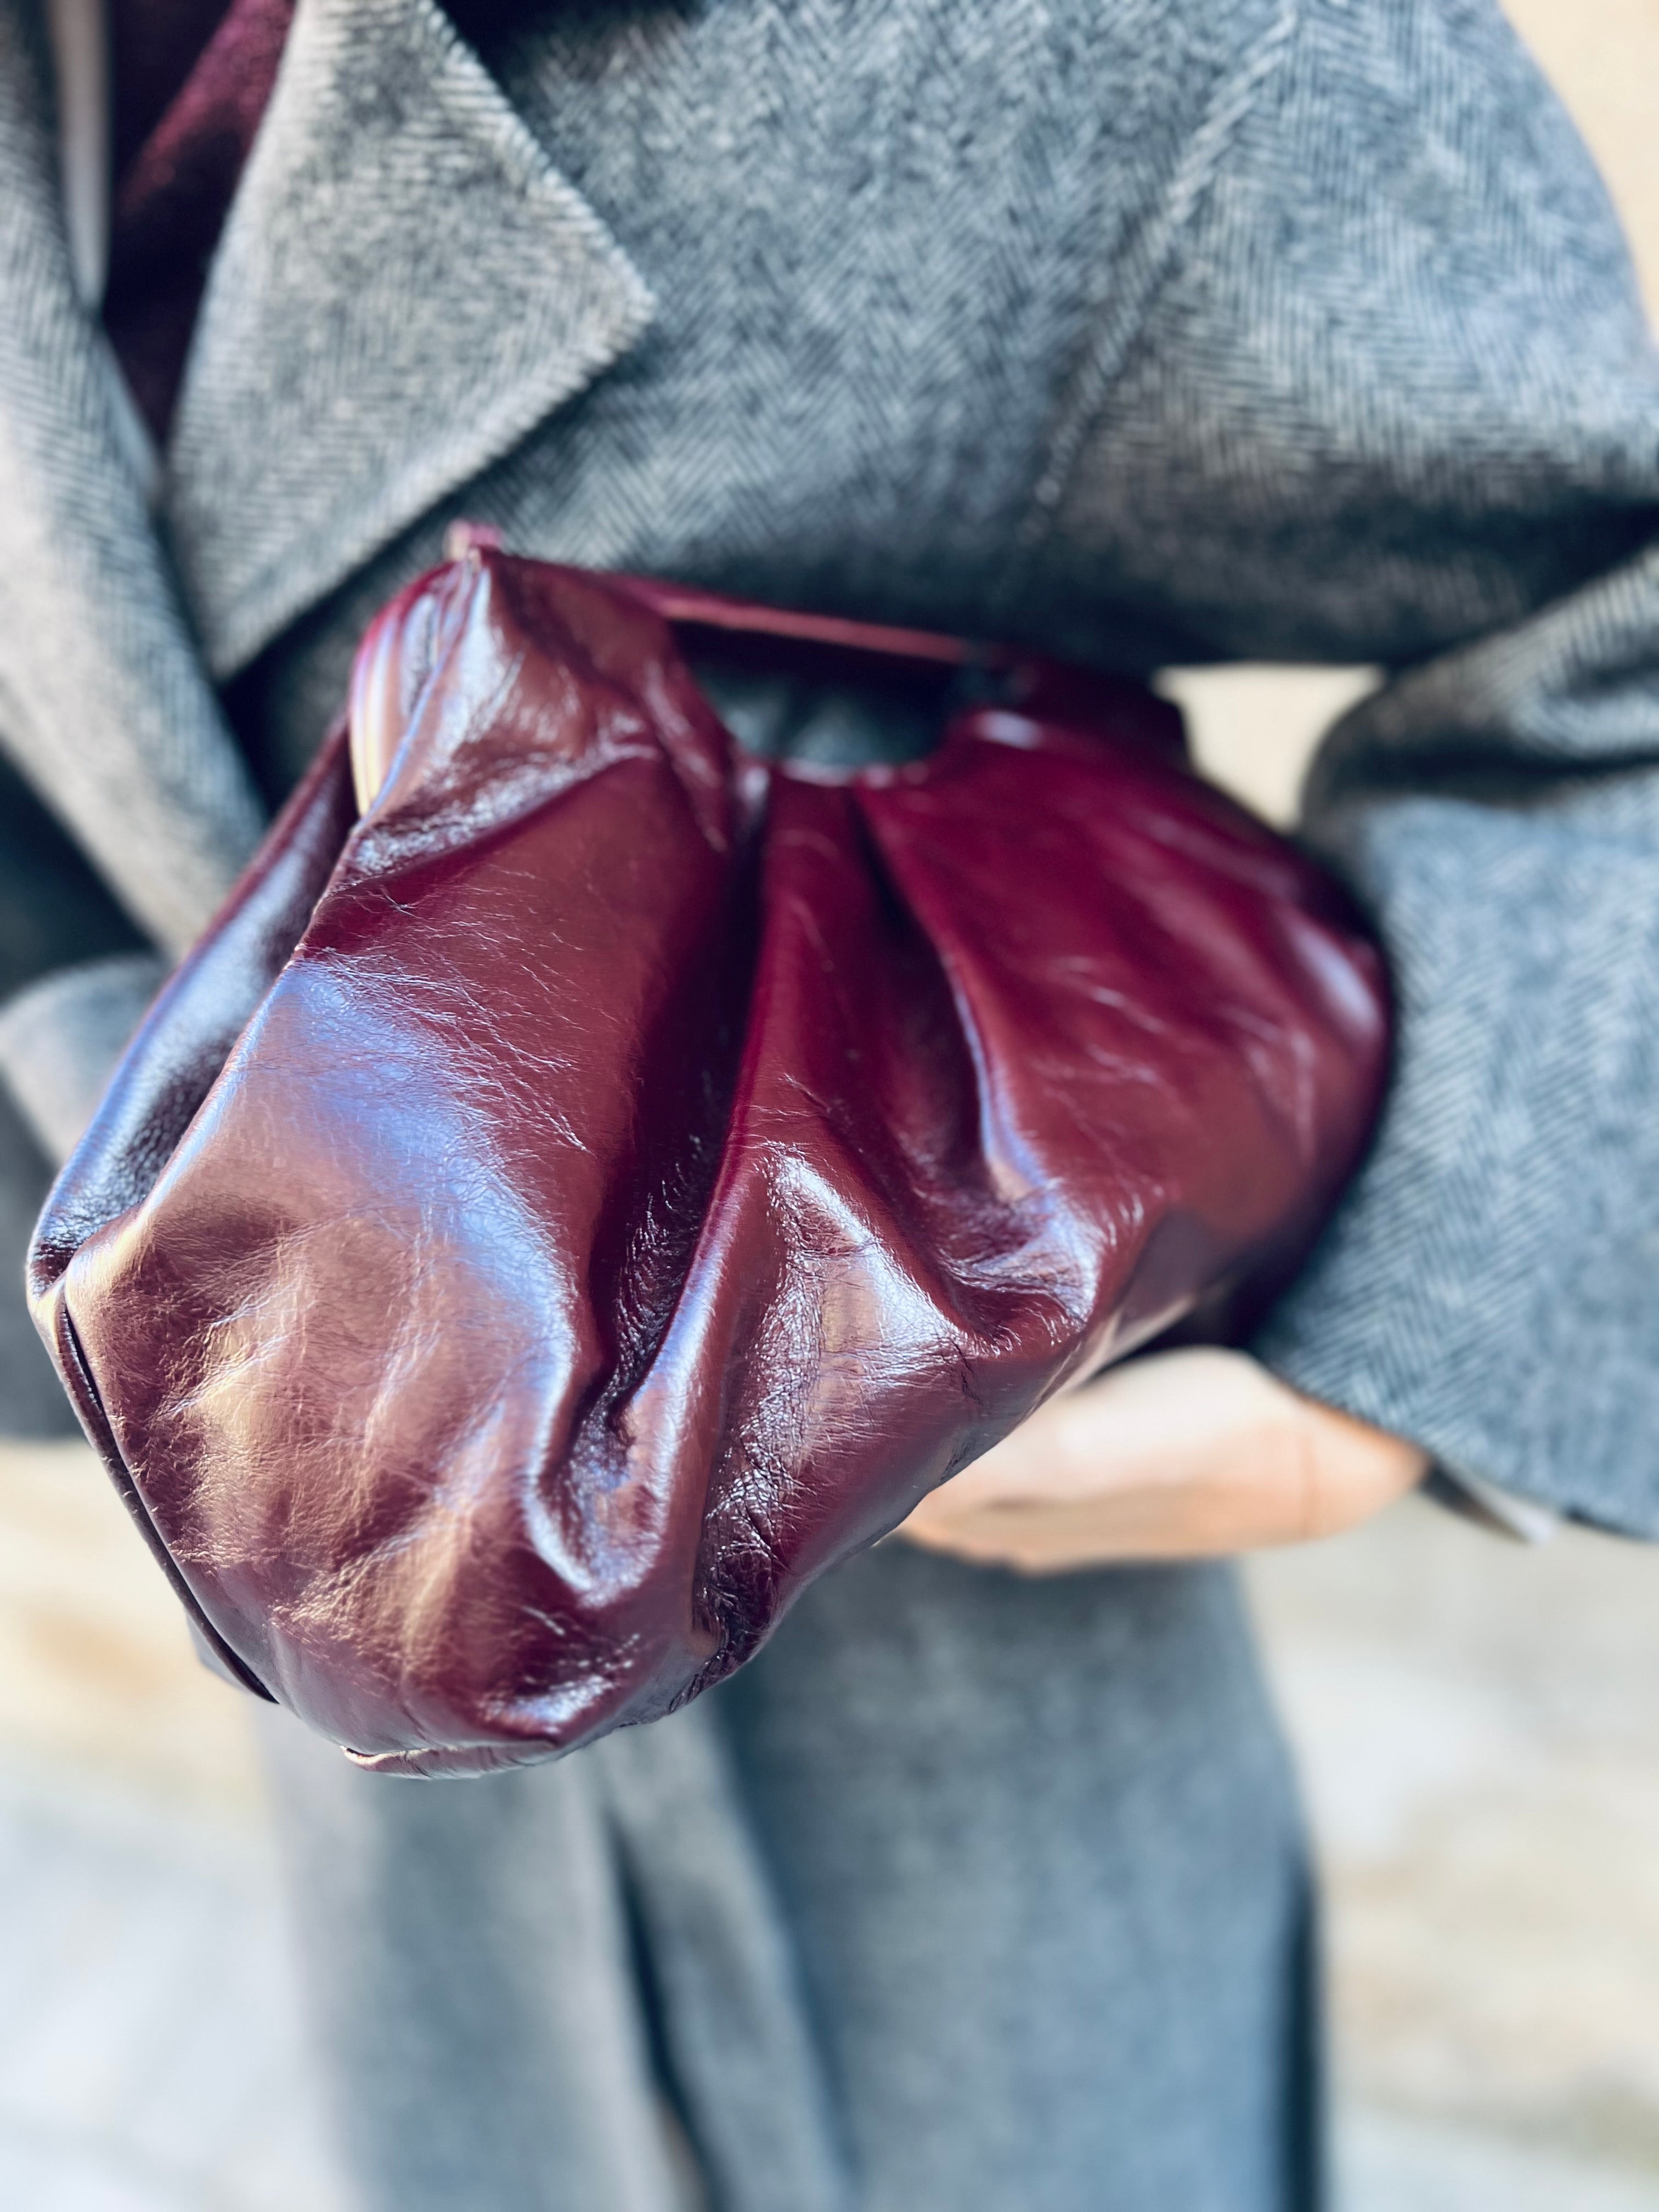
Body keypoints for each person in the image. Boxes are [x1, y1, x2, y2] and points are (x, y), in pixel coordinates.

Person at [2, 0, 1656, 2205]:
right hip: (350, 1623)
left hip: (952, 1641)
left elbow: (1620, 620)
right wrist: (113, 1109)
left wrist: (1399, 1351)